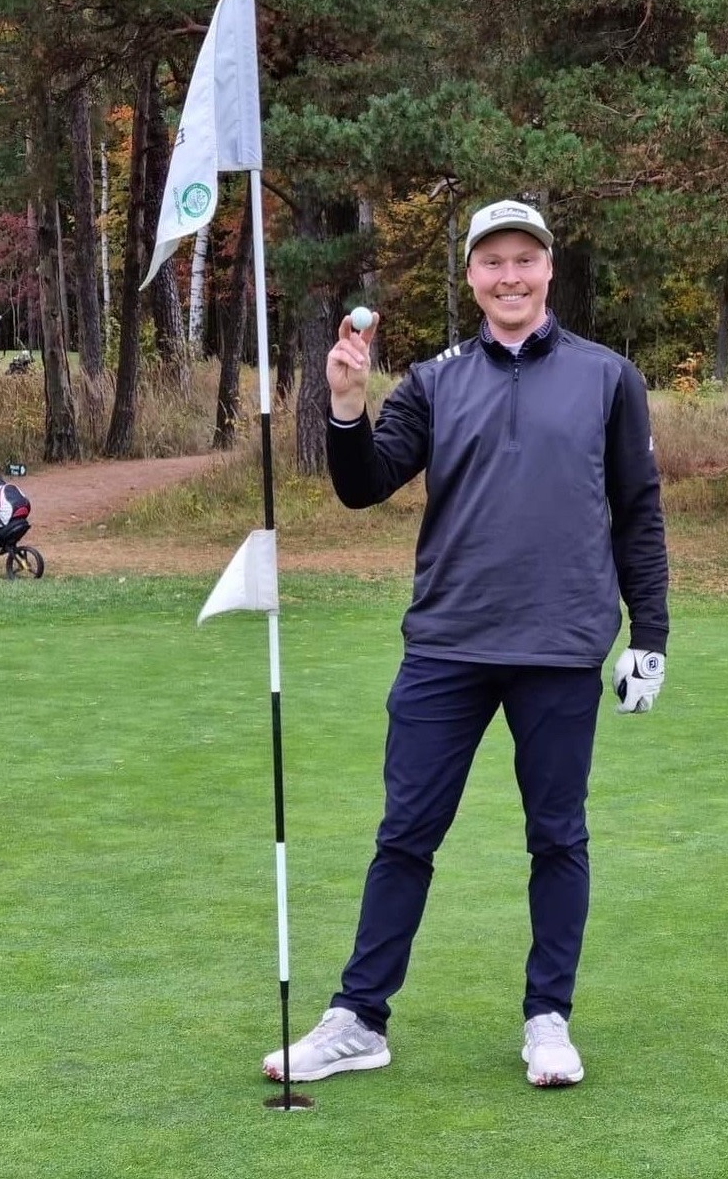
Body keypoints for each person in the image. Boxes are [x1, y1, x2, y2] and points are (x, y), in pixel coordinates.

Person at [262, 199, 669, 1089]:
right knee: (406, 833)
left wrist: (652, 637)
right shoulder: (434, 379)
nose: (510, 276)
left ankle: (547, 1019)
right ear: (473, 277)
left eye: (525, 259)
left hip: (562, 646)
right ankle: (359, 1020)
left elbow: (639, 516)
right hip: (447, 645)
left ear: (549, 269)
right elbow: (365, 485)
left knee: (557, 837)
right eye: (493, 263)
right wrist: (342, 405)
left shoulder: (608, 378)